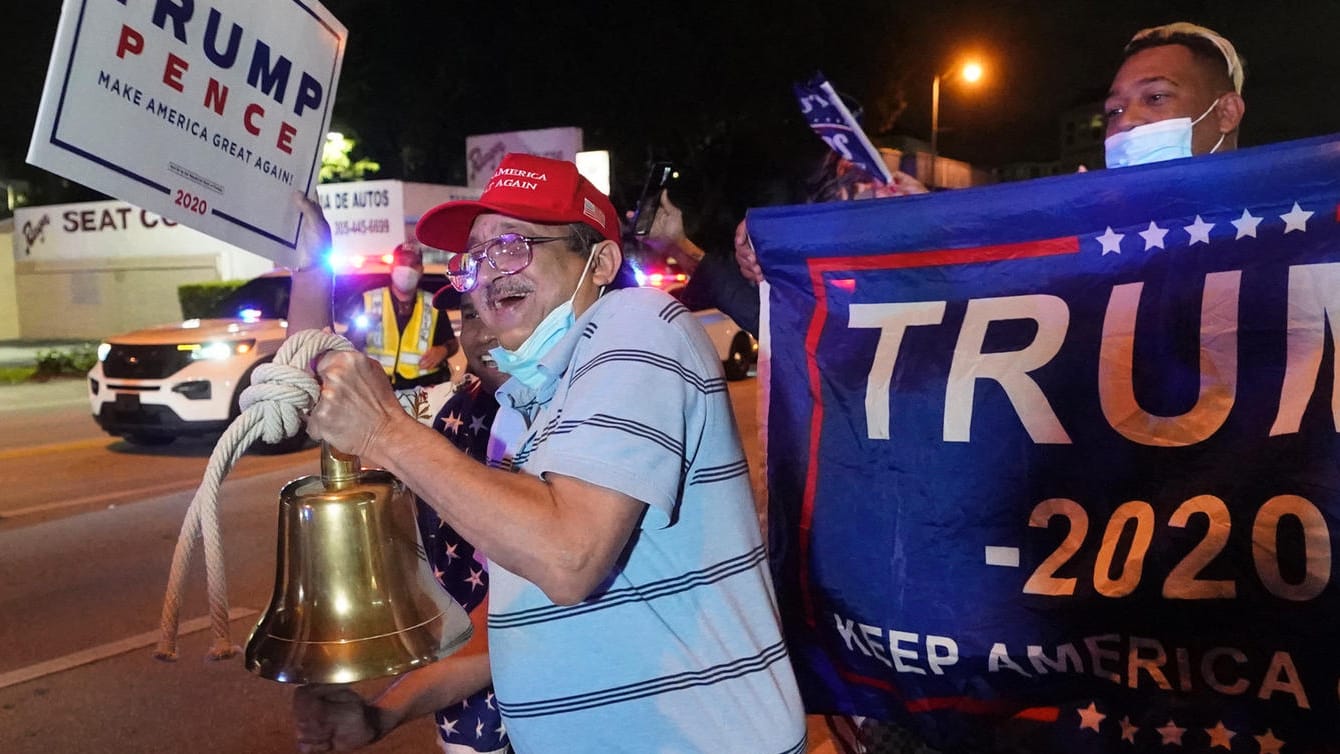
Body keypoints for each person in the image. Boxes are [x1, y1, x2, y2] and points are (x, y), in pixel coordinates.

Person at [302, 153, 806, 752]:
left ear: (601, 262)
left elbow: (569, 557)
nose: (489, 275)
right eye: (475, 259)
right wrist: (383, 713)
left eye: (513, 246)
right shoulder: (526, 401)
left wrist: (385, 430)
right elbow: (515, 623)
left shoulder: (638, 323)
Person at [292, 290, 511, 754]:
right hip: (473, 724)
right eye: (471, 312)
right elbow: (320, 391)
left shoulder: (594, 424)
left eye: (509, 299)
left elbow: (534, 607)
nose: (485, 327)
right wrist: (308, 265)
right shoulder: (438, 410)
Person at [1103, 21, 1246, 167]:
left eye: (1155, 97)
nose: (1125, 121)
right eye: (1115, 111)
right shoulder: (1096, 190)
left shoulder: (1268, 187)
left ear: (1227, 113)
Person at [343, 241, 459, 413]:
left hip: (421, 394)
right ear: (392, 267)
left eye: (413, 264)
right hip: (376, 389)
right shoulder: (368, 300)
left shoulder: (433, 304)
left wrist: (443, 350)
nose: (407, 269)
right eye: (402, 263)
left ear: (421, 270)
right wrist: (361, 330)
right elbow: (347, 343)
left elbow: (452, 343)